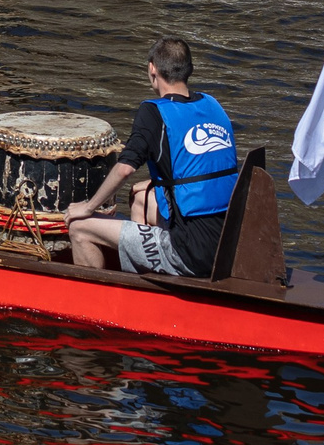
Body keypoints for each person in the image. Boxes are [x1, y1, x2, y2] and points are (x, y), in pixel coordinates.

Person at [65, 38, 240, 278]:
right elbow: (200, 171)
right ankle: (144, 278)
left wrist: (88, 207)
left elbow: (125, 169)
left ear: (152, 69)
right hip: (228, 243)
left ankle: (96, 301)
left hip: (189, 254)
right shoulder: (213, 106)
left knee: (79, 227)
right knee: (140, 198)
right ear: (189, 69)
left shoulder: (154, 112)